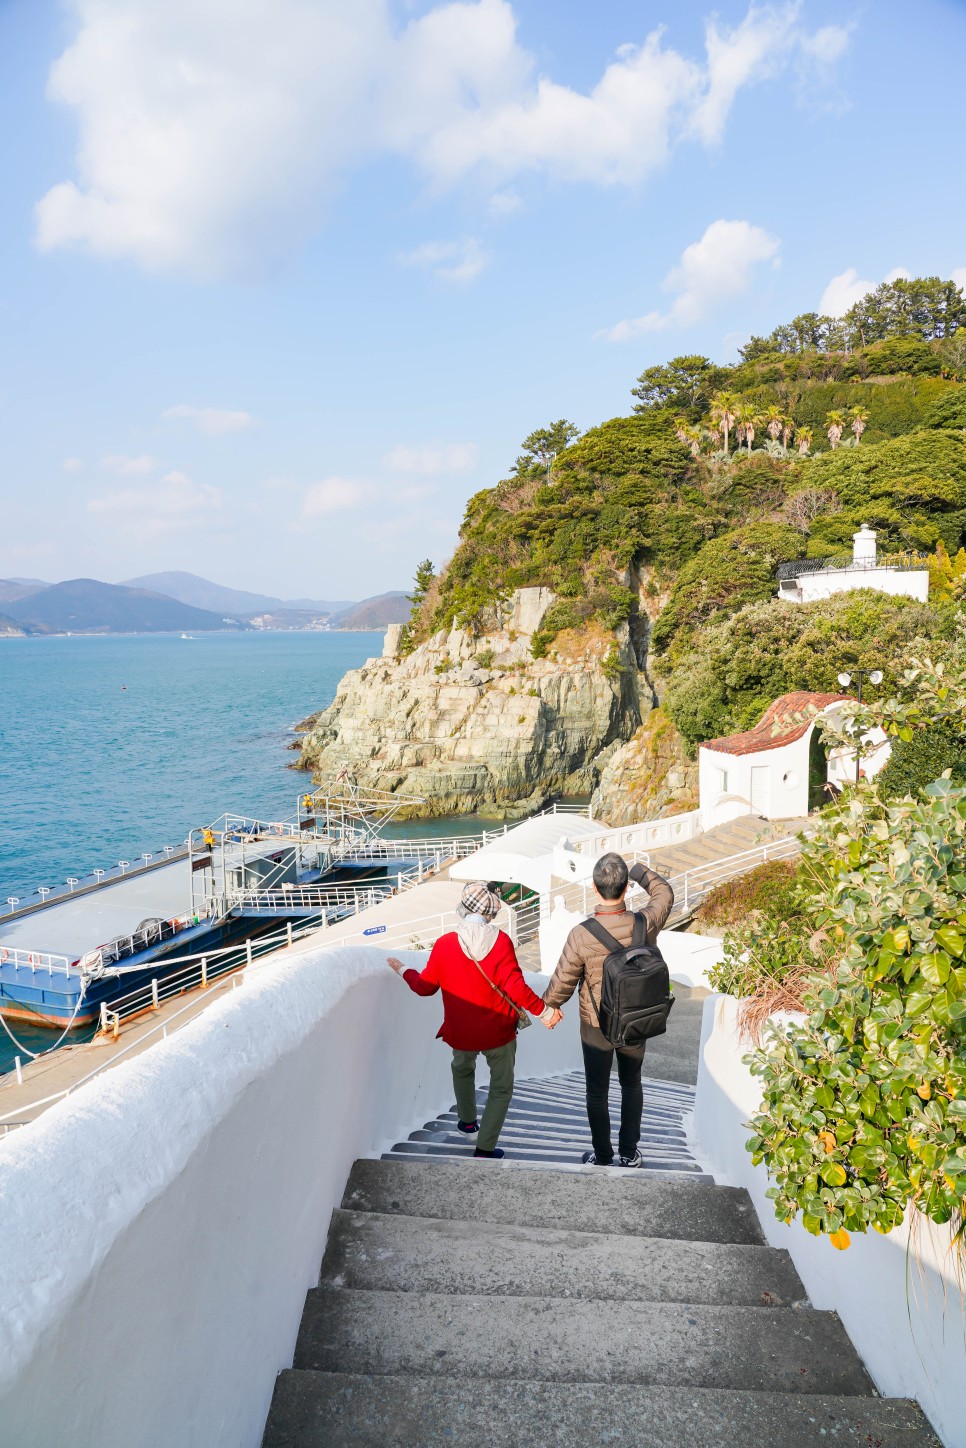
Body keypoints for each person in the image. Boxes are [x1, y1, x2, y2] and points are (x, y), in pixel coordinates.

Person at [387, 881, 562, 1159]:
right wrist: (546, 1012)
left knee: (462, 1071)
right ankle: (485, 1148)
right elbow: (516, 986)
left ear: (463, 907)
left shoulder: (445, 944)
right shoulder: (502, 941)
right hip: (498, 1031)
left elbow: (424, 987)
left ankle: (467, 1123)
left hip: (461, 1031)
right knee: (501, 1088)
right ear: (490, 915)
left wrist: (404, 970)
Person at [542, 853, 673, 1168]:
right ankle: (629, 1153)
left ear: (593, 887)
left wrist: (552, 1006)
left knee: (597, 1092)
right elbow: (664, 894)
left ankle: (602, 1156)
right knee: (631, 1084)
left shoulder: (581, 934)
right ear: (626, 888)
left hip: (596, 1024)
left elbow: (563, 980)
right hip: (637, 1019)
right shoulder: (645, 921)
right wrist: (640, 868)